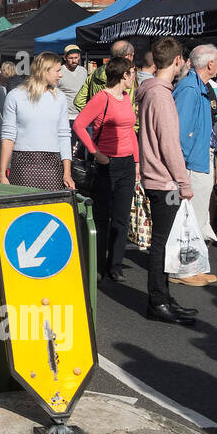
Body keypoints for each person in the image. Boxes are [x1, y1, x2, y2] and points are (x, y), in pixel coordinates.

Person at [136, 37, 198, 325]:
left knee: (164, 243)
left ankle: (163, 297)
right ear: (177, 61)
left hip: (157, 177)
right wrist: (184, 183)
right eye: (183, 60)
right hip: (164, 180)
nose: (184, 64)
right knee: (162, 244)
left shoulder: (154, 91)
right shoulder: (160, 95)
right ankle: (158, 301)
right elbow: (169, 145)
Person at [74, 58, 139, 283]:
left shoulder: (125, 98)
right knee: (102, 217)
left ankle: (116, 265)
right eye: (132, 73)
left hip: (127, 163)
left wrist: (137, 161)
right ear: (123, 75)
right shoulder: (102, 98)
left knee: (121, 218)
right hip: (107, 163)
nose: (134, 77)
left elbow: (130, 130)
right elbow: (79, 125)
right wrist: (95, 152)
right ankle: (98, 265)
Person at [0, 52, 74, 190]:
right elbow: (8, 136)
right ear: (44, 70)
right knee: (23, 209)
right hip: (22, 163)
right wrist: (2, 173)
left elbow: (64, 134)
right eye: (57, 71)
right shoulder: (15, 96)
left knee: (50, 209)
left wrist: (67, 173)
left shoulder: (60, 97)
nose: (61, 75)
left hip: (52, 164)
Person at [174, 44, 217, 243]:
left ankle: (194, 267)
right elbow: (180, 133)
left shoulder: (199, 86)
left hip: (200, 159)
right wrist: (182, 170)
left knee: (199, 216)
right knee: (192, 218)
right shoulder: (190, 88)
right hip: (192, 164)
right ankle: (187, 269)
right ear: (210, 64)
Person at [75, 40, 135, 111]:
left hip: (100, 120)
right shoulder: (125, 75)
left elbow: (78, 101)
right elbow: (129, 107)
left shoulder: (96, 73)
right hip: (122, 120)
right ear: (128, 56)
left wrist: (94, 117)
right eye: (133, 55)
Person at [58, 45, 88, 121]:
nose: (74, 61)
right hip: (65, 116)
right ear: (65, 58)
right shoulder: (59, 72)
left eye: (76, 58)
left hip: (82, 115)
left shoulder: (83, 71)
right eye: (70, 58)